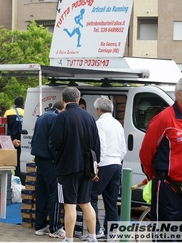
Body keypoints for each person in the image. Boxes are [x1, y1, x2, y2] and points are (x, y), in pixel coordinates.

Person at [139, 76, 182, 240]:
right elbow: (146, 153)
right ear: (179, 94)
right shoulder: (164, 119)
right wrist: (153, 176)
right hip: (169, 188)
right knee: (166, 236)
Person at [50, 87, 101, 242]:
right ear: (78, 100)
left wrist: (59, 157)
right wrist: (94, 167)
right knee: (86, 203)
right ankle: (93, 236)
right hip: (86, 168)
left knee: (70, 204)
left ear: (63, 100)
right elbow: (96, 145)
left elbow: (54, 142)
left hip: (68, 167)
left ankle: (69, 238)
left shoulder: (62, 117)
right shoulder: (90, 117)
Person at [80, 97, 126, 240]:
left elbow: (101, 146)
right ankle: (111, 233)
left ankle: (97, 229)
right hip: (117, 163)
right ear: (111, 109)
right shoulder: (118, 124)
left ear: (98, 110)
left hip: (105, 164)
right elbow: (123, 148)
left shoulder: (99, 123)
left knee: (91, 196)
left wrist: (97, 165)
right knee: (111, 201)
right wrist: (117, 159)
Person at [31, 101, 66, 238]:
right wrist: (57, 158)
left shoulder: (42, 117)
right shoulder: (56, 118)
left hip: (39, 158)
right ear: (61, 109)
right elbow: (53, 142)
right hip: (50, 160)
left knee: (42, 192)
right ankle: (55, 227)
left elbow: (35, 139)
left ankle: (40, 225)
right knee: (56, 193)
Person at [4, 96, 24, 178]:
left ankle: (8, 179)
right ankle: (18, 179)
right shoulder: (26, 113)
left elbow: (5, 128)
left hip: (10, 142)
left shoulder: (8, 113)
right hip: (21, 142)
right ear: (23, 105)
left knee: (7, 162)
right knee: (18, 162)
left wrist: (12, 140)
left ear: (14, 104)